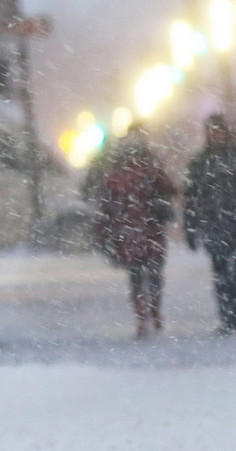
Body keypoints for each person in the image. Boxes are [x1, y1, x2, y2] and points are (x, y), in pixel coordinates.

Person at [96, 124, 177, 338]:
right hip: (149, 229)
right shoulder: (150, 165)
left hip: (131, 230)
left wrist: (106, 232)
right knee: (153, 276)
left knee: (137, 277)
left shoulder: (116, 172)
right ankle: (153, 314)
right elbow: (170, 189)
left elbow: (108, 205)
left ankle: (143, 318)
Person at [183, 114, 236, 334]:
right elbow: (192, 197)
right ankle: (228, 317)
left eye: (218, 130)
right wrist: (191, 226)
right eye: (211, 131)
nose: (215, 134)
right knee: (222, 273)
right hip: (215, 225)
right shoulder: (200, 162)